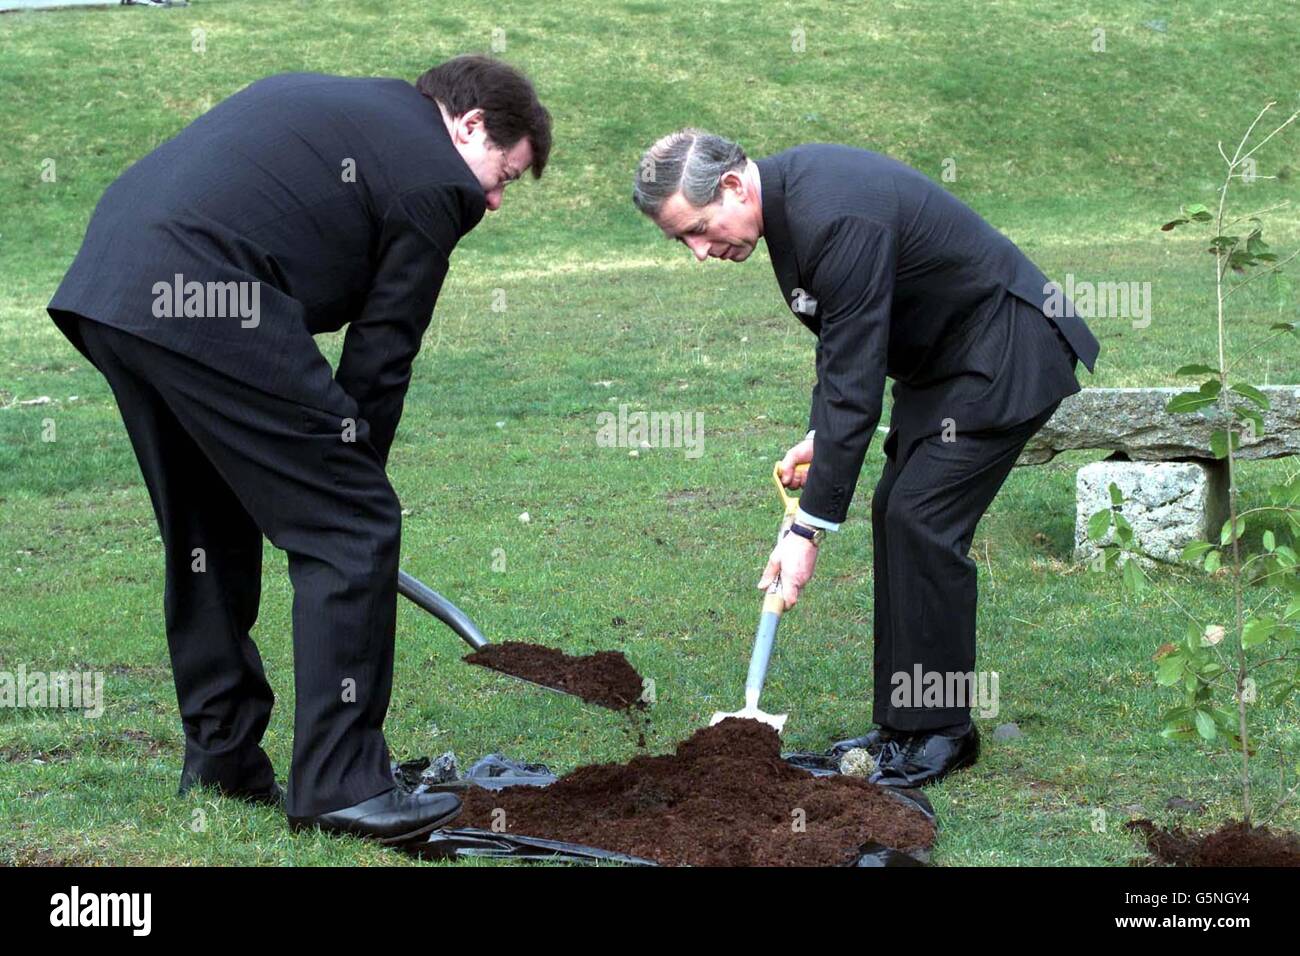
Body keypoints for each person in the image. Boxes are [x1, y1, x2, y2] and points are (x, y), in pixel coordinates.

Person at [48, 56, 551, 841]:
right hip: (208, 290)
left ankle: (223, 758)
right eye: (505, 176)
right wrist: (348, 490)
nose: (490, 199)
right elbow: (382, 356)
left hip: (111, 284)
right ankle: (341, 786)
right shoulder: (433, 176)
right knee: (350, 526)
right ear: (471, 123)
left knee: (207, 530)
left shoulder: (340, 104)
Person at [632, 131, 1099, 787]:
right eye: (683, 240)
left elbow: (855, 376)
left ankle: (942, 732)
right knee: (896, 511)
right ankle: (903, 728)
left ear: (734, 185)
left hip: (1004, 350)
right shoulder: (794, 207)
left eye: (700, 229)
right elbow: (847, 345)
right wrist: (825, 435)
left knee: (922, 518)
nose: (701, 251)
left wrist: (807, 529)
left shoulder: (832, 212)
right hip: (946, 361)